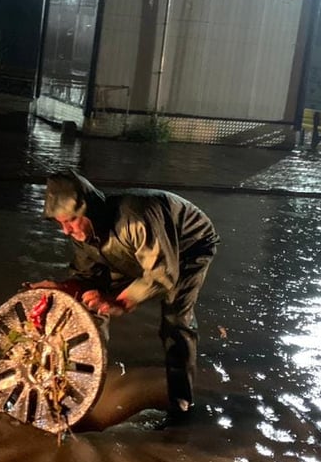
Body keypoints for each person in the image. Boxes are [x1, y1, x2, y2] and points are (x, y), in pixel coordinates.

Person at [29, 170, 219, 418]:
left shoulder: (135, 220)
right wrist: (64, 288)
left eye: (70, 221)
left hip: (188, 247)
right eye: (59, 223)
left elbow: (163, 274)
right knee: (90, 304)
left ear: (88, 211)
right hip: (132, 253)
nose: (65, 231)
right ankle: (74, 389)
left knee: (175, 322)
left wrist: (120, 300)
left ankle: (181, 405)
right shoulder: (83, 233)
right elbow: (87, 277)